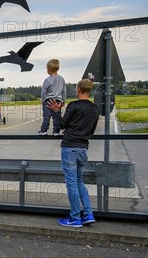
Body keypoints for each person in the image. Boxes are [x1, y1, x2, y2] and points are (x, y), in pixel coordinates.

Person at [47, 78, 99, 228]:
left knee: (71, 184)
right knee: (79, 181)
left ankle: (75, 217)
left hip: (70, 147)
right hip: (83, 148)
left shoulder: (74, 105)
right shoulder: (95, 109)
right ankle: (88, 213)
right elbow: (92, 130)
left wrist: (57, 112)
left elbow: (62, 124)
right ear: (89, 91)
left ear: (78, 90)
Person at [38, 59, 66, 136]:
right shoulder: (61, 79)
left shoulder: (47, 80)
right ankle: (56, 131)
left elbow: (43, 91)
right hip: (58, 101)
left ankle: (44, 130)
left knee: (46, 116)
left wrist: (43, 100)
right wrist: (63, 101)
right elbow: (64, 91)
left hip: (48, 100)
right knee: (56, 116)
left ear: (48, 69)